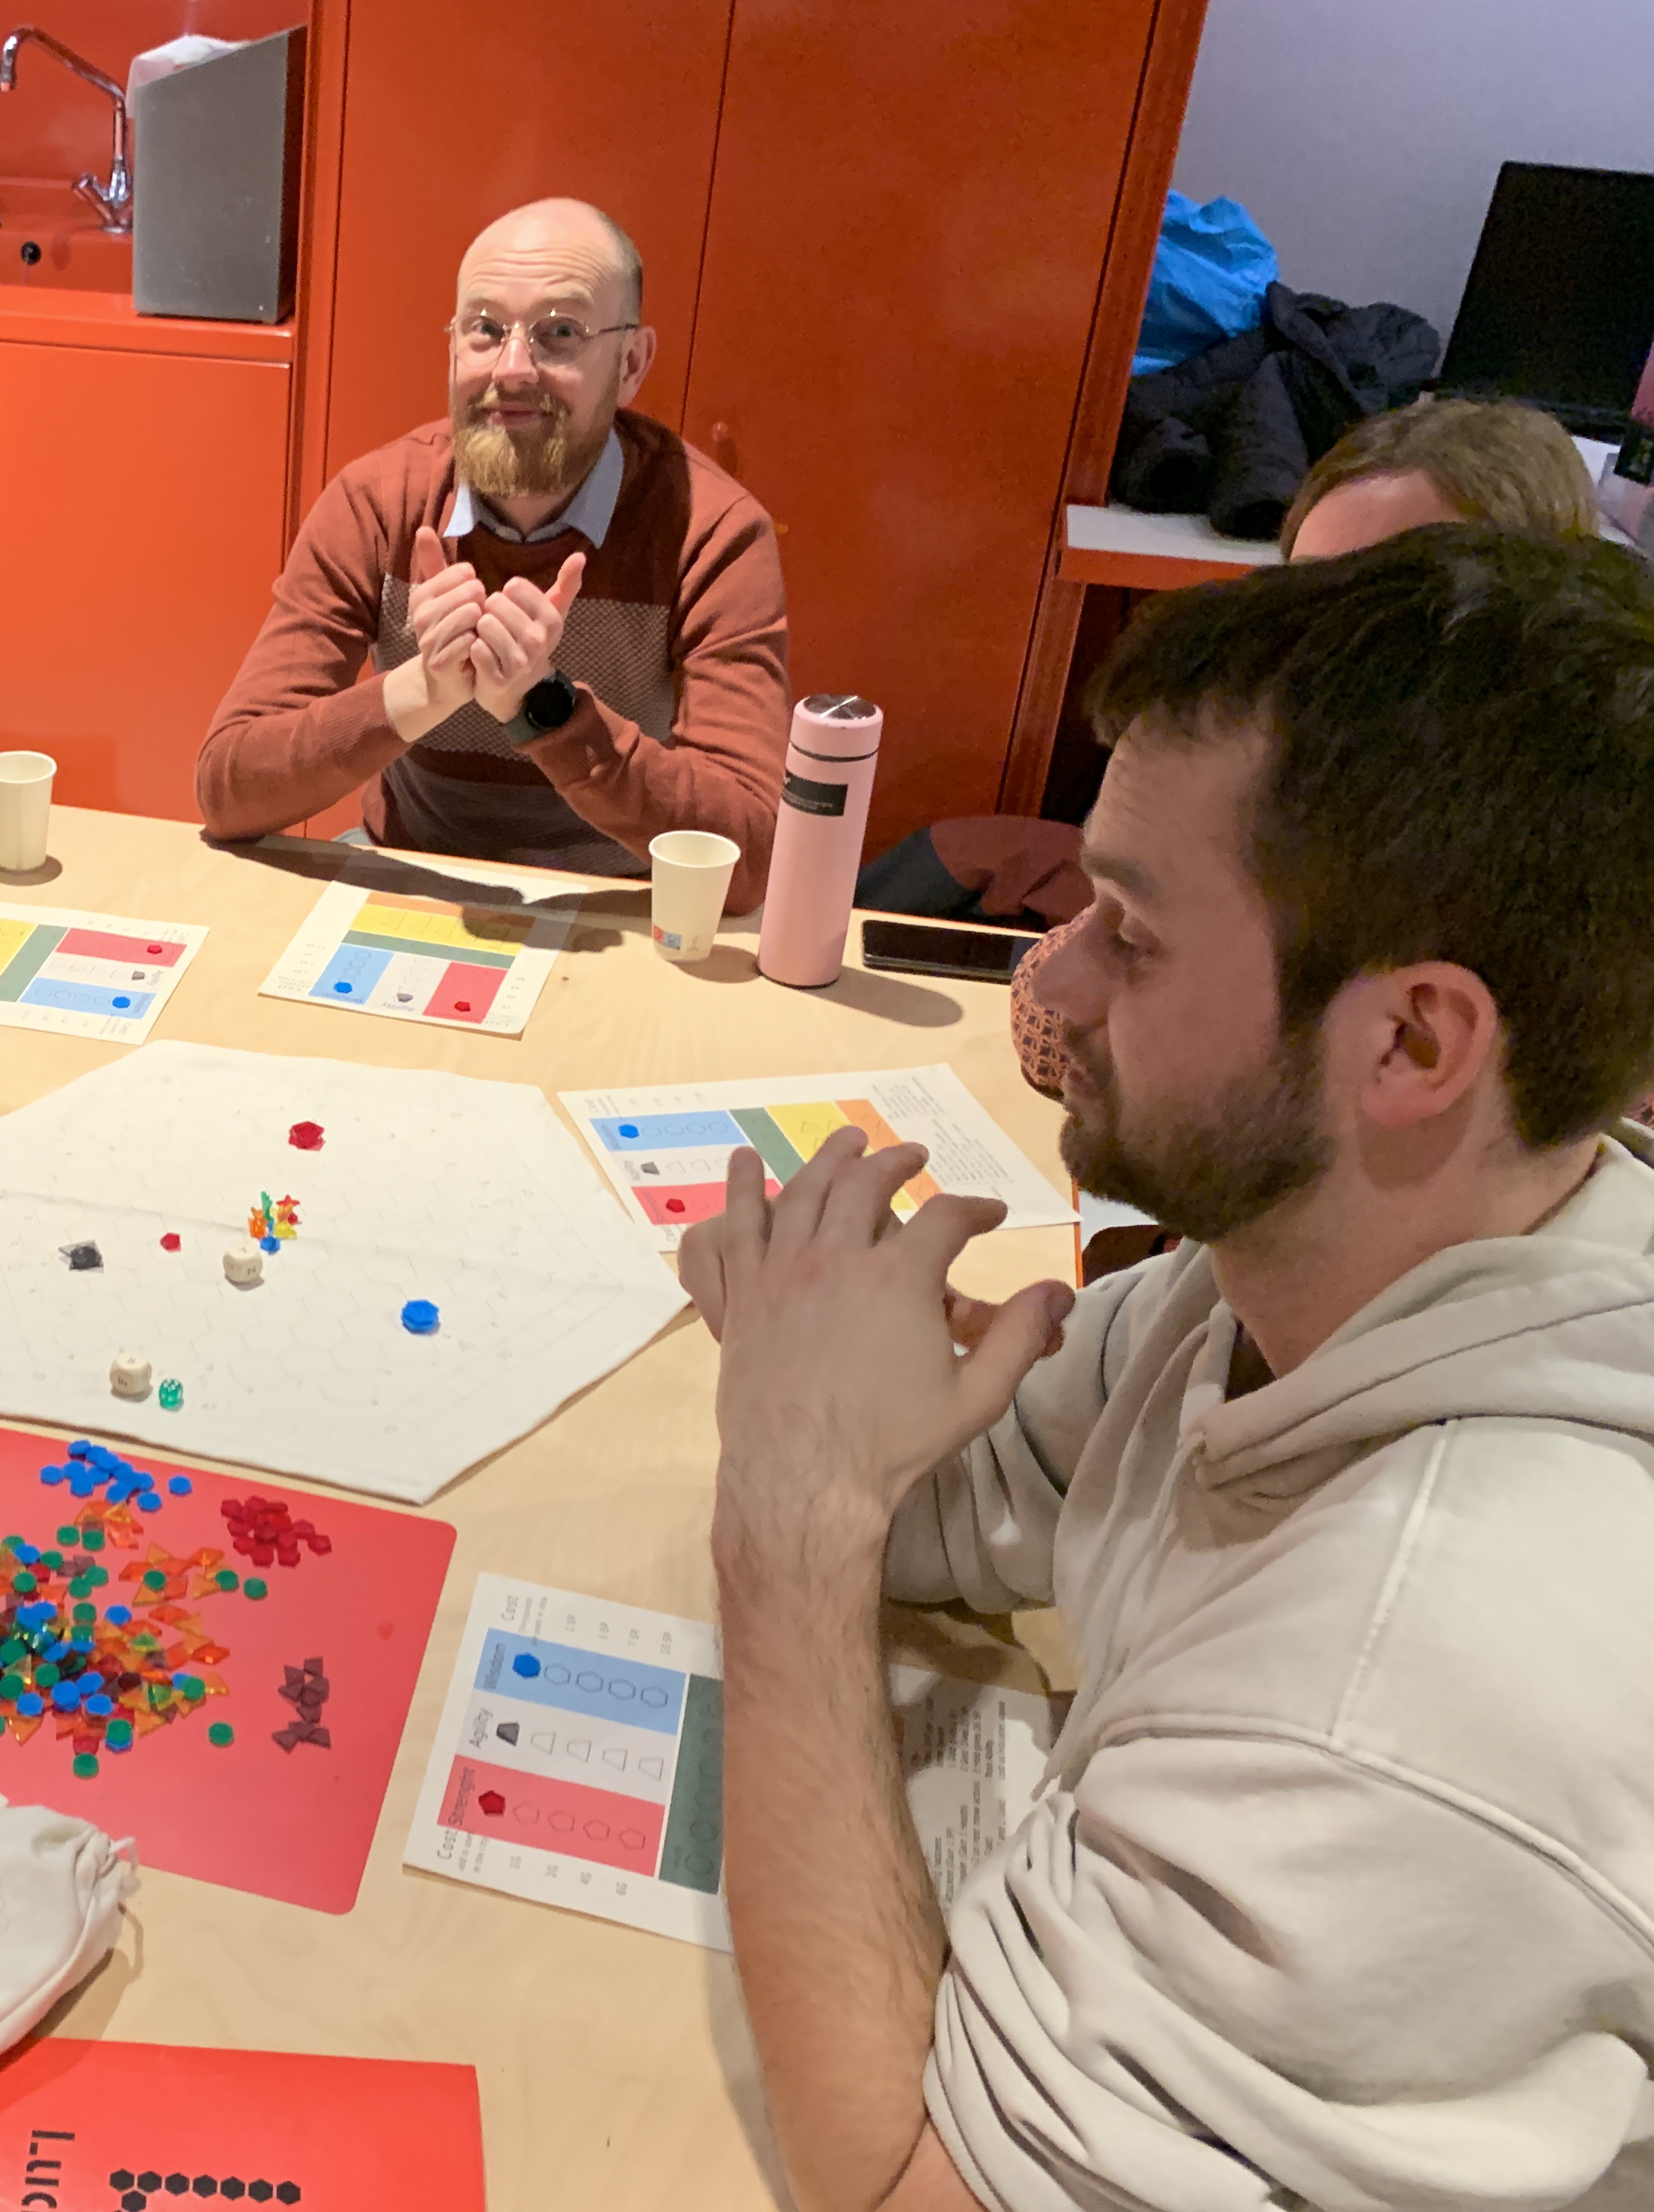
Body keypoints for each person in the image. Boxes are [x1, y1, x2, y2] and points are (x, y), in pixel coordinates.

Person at [680, 527, 1654, 2210]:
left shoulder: (1407, 1695)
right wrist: (828, 1380)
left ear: (1411, 1040)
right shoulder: (1300, 1270)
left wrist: (789, 1510)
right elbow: (978, 1494)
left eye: (1129, 933)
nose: (1053, 978)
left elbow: (908, 2186)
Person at [1006, 394, 1605, 1101]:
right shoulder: (1301, 772)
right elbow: (1045, 1020)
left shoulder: (1560, 846)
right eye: (1300, 600)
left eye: (1383, 612)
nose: (1318, 652)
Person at [194, 196, 789, 902]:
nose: (512, 369)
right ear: (453, 348)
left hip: (618, 904)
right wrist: (421, 690)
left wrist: (546, 709)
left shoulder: (713, 532)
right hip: (411, 883)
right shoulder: (377, 504)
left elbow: (748, 856)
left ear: (631, 363)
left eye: (559, 332)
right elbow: (228, 790)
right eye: (484, 329)